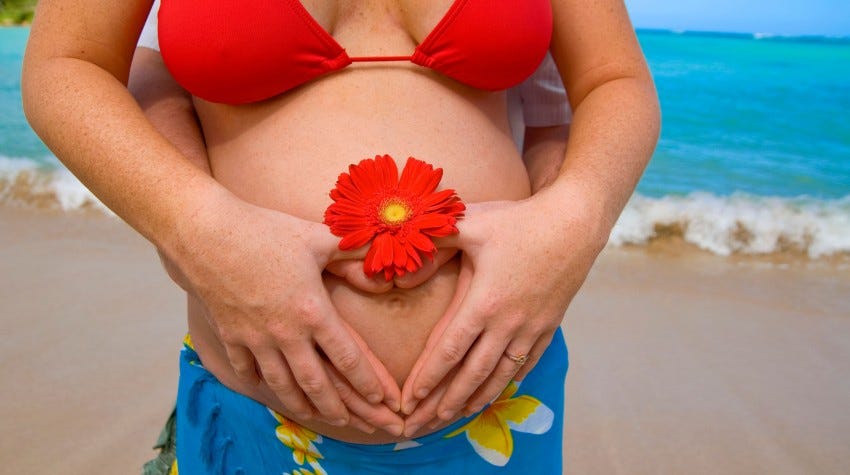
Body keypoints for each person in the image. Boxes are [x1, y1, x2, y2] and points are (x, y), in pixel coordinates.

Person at [22, 0, 659, 473]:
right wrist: (197, 230)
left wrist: (575, 222)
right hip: (263, 420)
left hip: (504, 405)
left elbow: (613, 78)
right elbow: (67, 65)